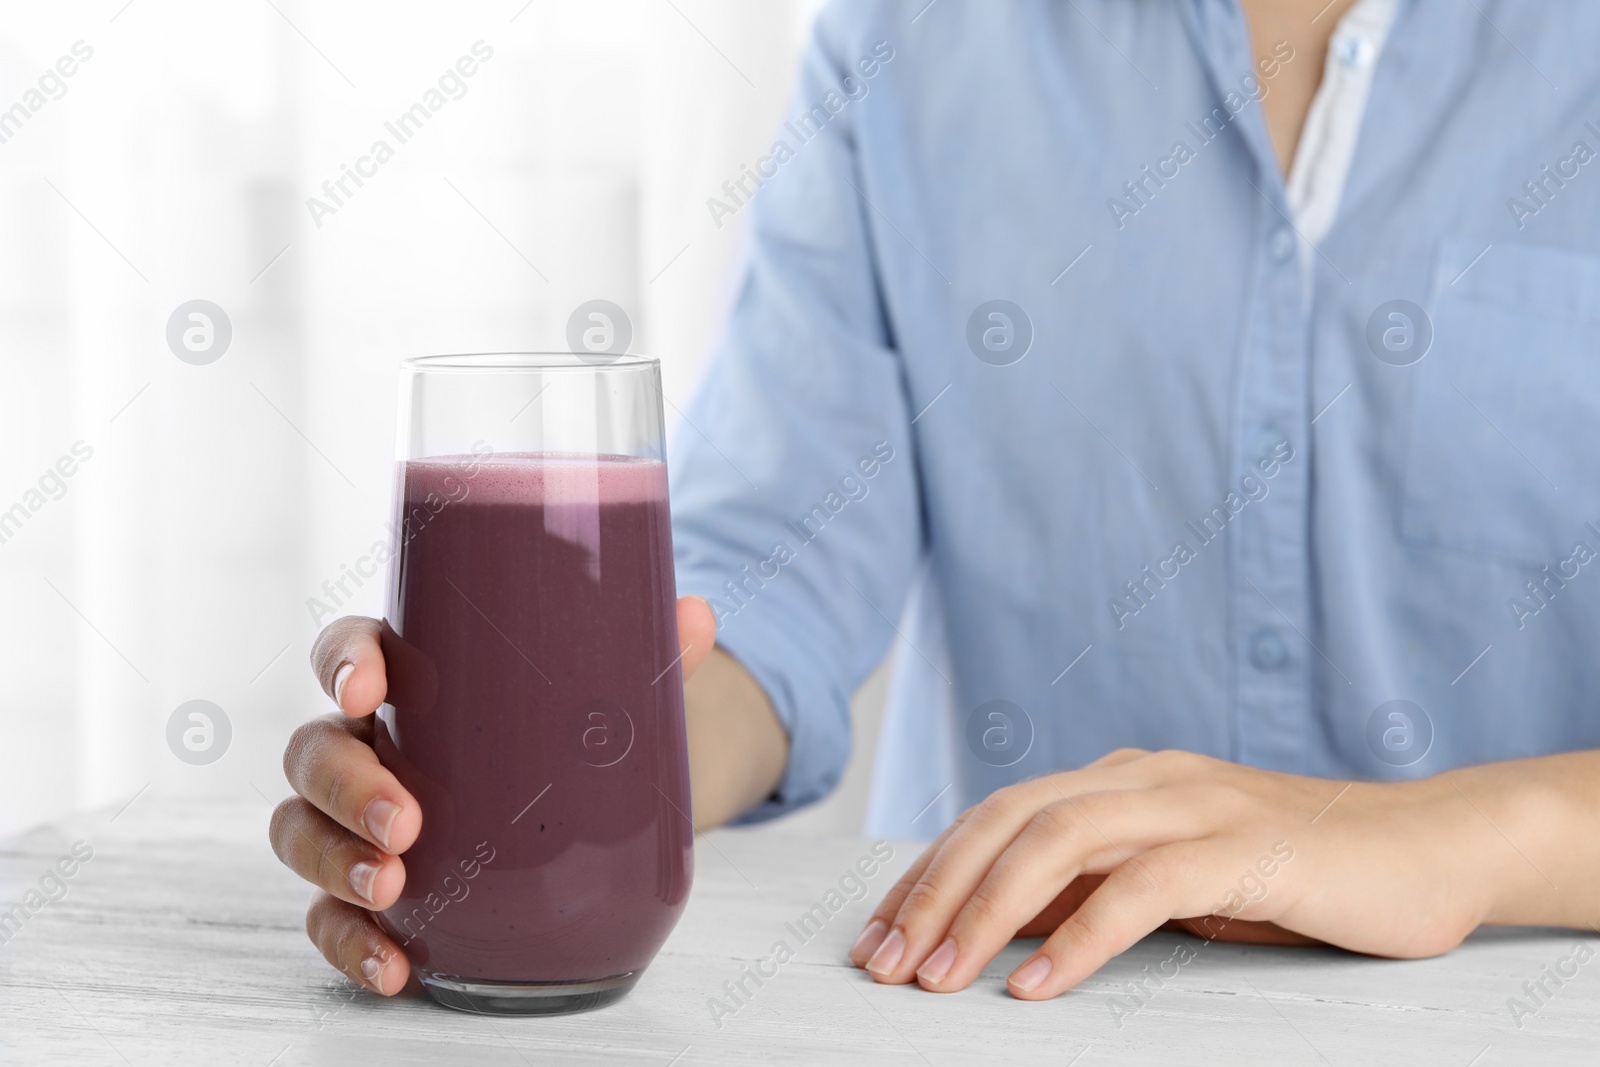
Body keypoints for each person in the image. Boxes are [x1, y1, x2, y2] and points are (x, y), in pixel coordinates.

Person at [271, 0, 1600, 1002]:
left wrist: (1452, 841)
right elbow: (768, 581)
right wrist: (534, 776)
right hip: (1001, 1006)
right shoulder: (920, 34)